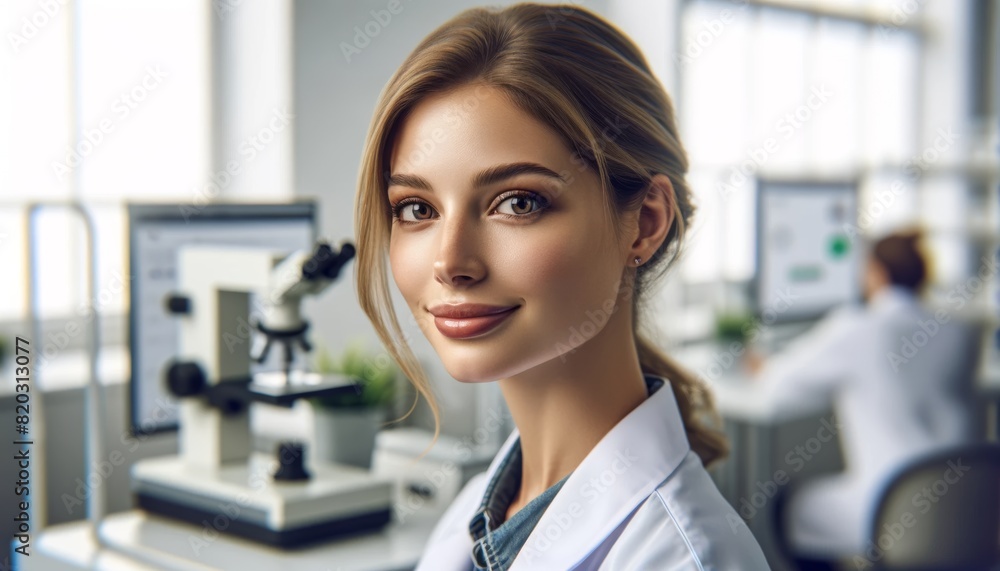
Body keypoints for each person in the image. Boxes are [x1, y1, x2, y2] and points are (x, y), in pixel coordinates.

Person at [352, 3, 770, 569]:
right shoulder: (477, 518)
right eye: (417, 208)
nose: (450, 263)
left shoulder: (686, 557)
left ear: (644, 223)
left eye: (517, 203)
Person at [750, 230, 981, 567]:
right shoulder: (961, 332)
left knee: (788, 505)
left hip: (890, 510)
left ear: (877, 273)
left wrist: (762, 367)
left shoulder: (859, 328)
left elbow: (776, 389)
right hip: (968, 510)